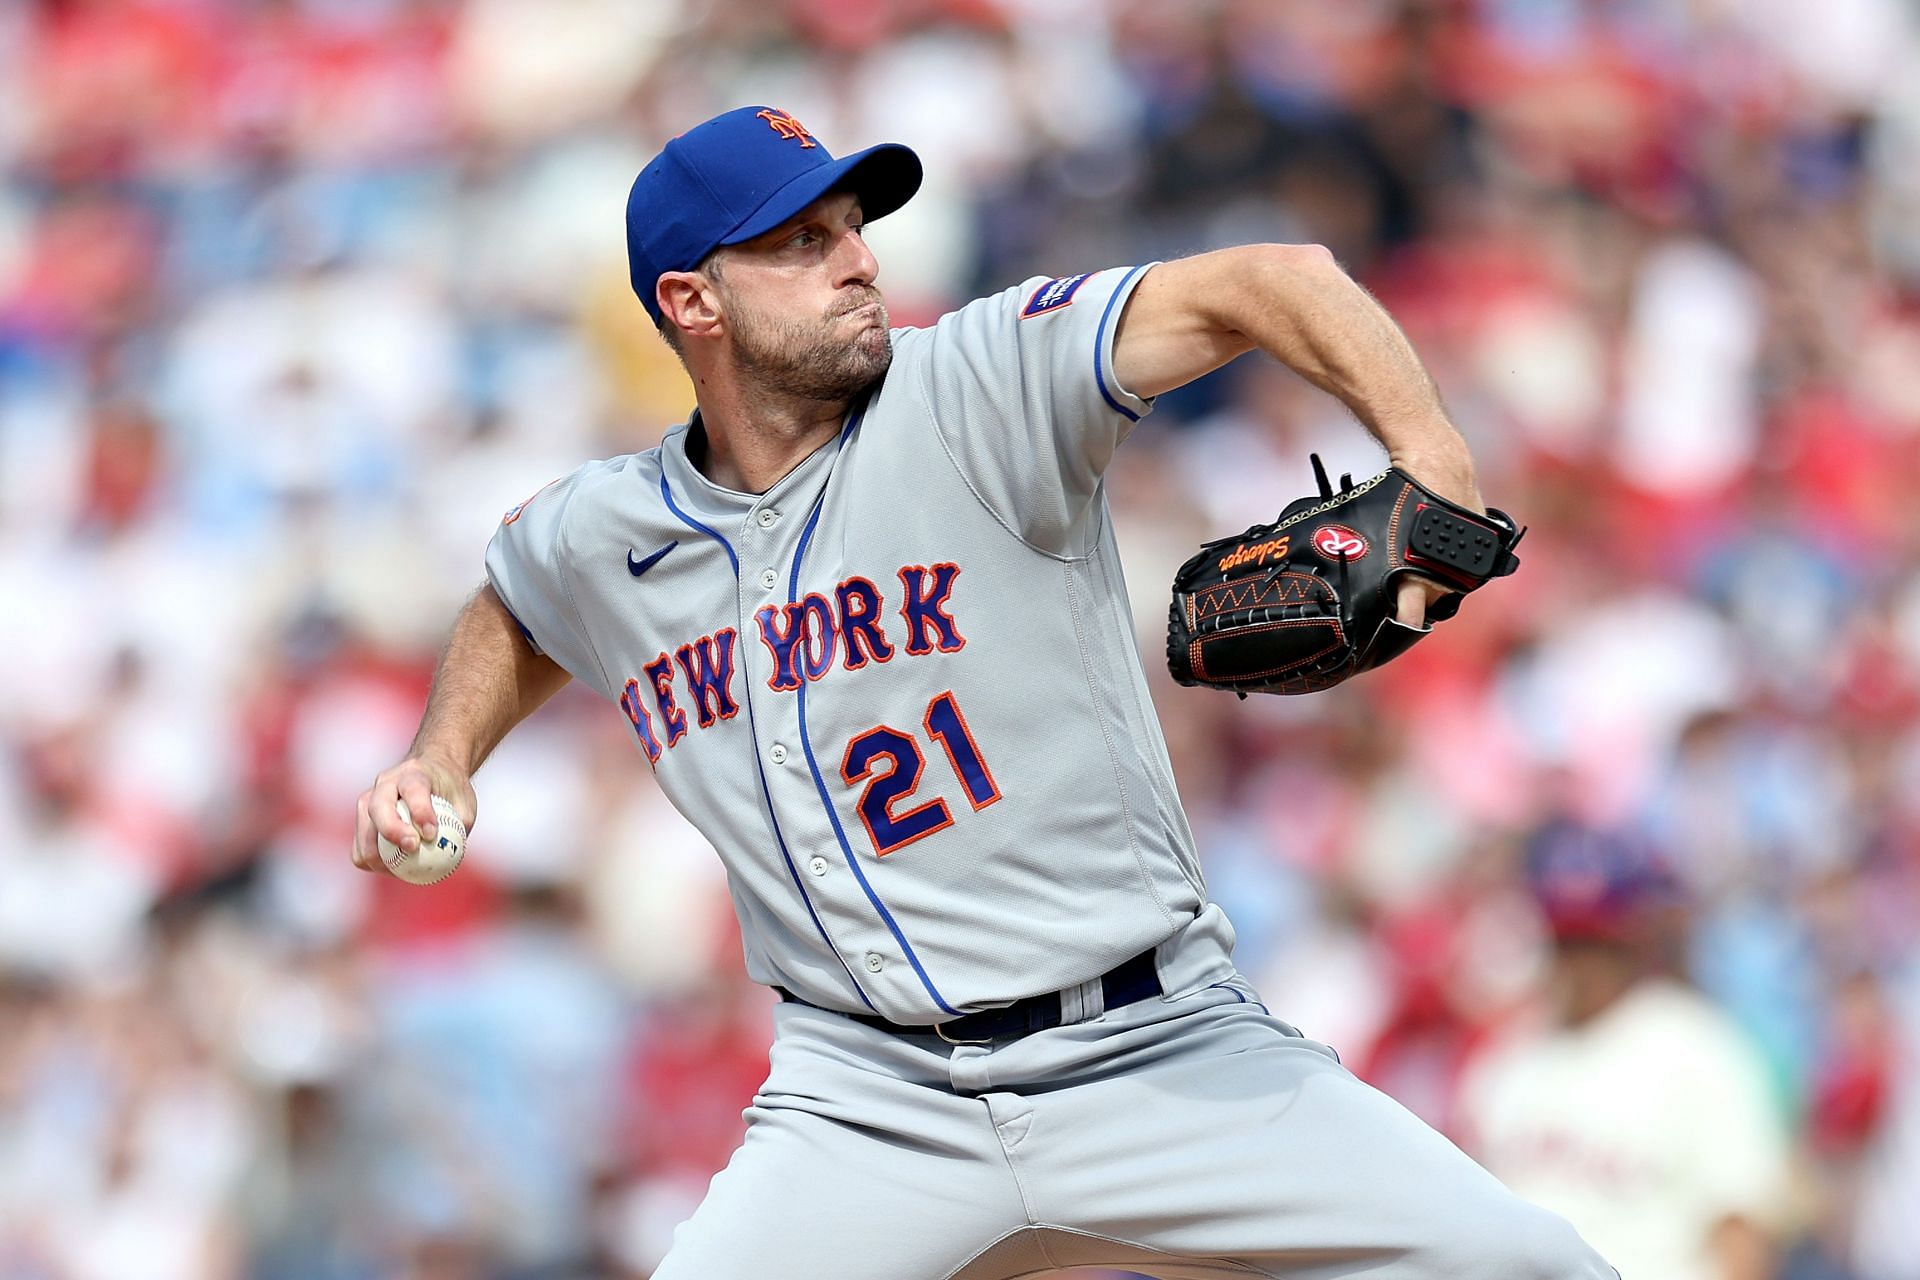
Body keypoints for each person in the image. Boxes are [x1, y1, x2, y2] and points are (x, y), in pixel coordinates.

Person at [352, 105, 1616, 1279]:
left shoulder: (975, 385)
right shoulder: (610, 529)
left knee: (1533, 1266)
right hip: (866, 1099)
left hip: (1153, 1044)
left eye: (854, 227)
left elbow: (1275, 278)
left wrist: (1435, 458)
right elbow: (516, 604)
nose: (856, 260)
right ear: (693, 300)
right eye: (801, 241)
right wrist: (445, 754)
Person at [1456, 819, 1790, 1280]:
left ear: (1633, 940)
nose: (1578, 962)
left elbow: (1742, 1239)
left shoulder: (1702, 1049)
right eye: (1566, 941)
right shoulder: (1508, 1059)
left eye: (1594, 942)